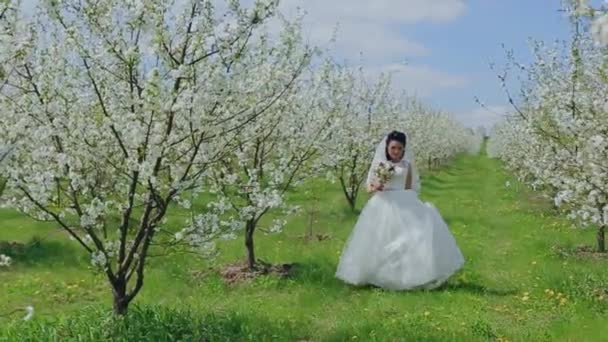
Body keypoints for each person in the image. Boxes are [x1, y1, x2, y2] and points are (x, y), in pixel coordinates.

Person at [335, 130, 464, 290]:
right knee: (380, 239)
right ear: (387, 148)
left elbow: (409, 188)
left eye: (400, 149)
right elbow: (369, 188)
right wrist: (377, 186)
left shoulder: (407, 165)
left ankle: (408, 276)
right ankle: (376, 275)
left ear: (404, 149)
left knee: (411, 238)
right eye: (393, 148)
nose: (396, 152)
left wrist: (413, 204)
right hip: (382, 204)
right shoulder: (380, 165)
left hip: (404, 202)